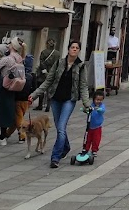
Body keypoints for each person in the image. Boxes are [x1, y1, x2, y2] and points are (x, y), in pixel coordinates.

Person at [28, 40, 91, 169]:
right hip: (55, 99)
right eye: (72, 47)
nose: (74, 49)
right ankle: (66, 147)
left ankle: (55, 157)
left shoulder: (81, 66)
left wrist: (86, 103)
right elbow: (48, 81)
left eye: (77, 48)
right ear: (68, 49)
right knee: (59, 128)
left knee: (61, 127)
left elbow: (83, 86)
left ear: (79, 51)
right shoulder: (59, 63)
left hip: (69, 99)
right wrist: (34, 95)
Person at [36, 38, 59, 111]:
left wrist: (44, 72)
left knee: (41, 89)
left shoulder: (44, 52)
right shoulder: (57, 53)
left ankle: (40, 105)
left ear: (46, 44)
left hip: (43, 74)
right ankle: (48, 107)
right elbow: (58, 64)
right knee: (49, 90)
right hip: (53, 73)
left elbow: (42, 63)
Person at [82, 90, 106, 155]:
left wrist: (99, 109)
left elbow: (103, 110)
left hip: (97, 127)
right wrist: (84, 110)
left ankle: (94, 150)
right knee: (88, 139)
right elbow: (87, 110)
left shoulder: (101, 106)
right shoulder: (91, 106)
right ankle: (85, 149)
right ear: (94, 99)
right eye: (97, 99)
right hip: (89, 126)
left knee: (96, 139)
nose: (99, 101)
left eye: (100, 100)